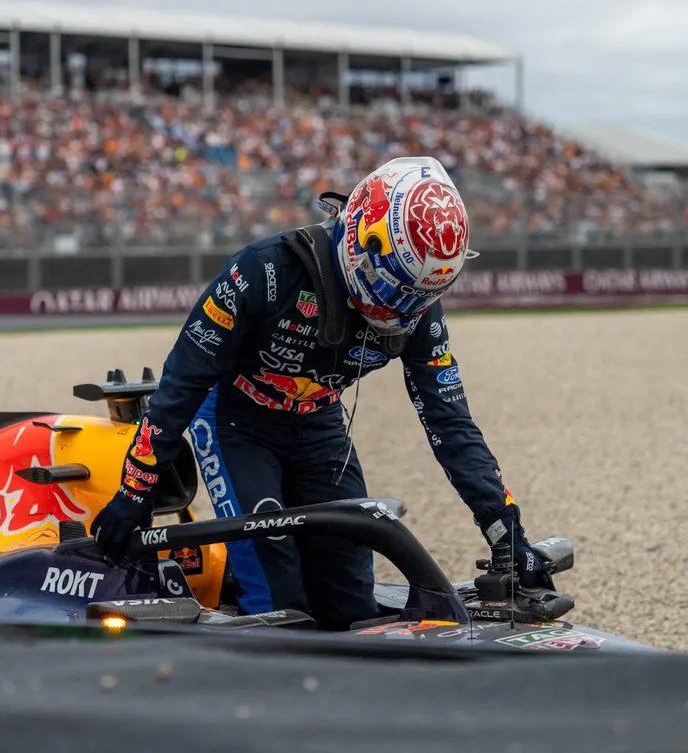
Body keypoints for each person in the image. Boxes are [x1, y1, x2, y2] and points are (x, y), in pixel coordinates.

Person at [90, 156, 555, 631]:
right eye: (395, 289)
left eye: (417, 297)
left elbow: (451, 423)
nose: (401, 310)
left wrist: (507, 532)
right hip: (235, 422)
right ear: (360, 239)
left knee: (350, 599)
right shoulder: (262, 271)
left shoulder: (417, 311)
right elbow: (182, 382)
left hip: (320, 425)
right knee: (279, 600)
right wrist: (136, 489)